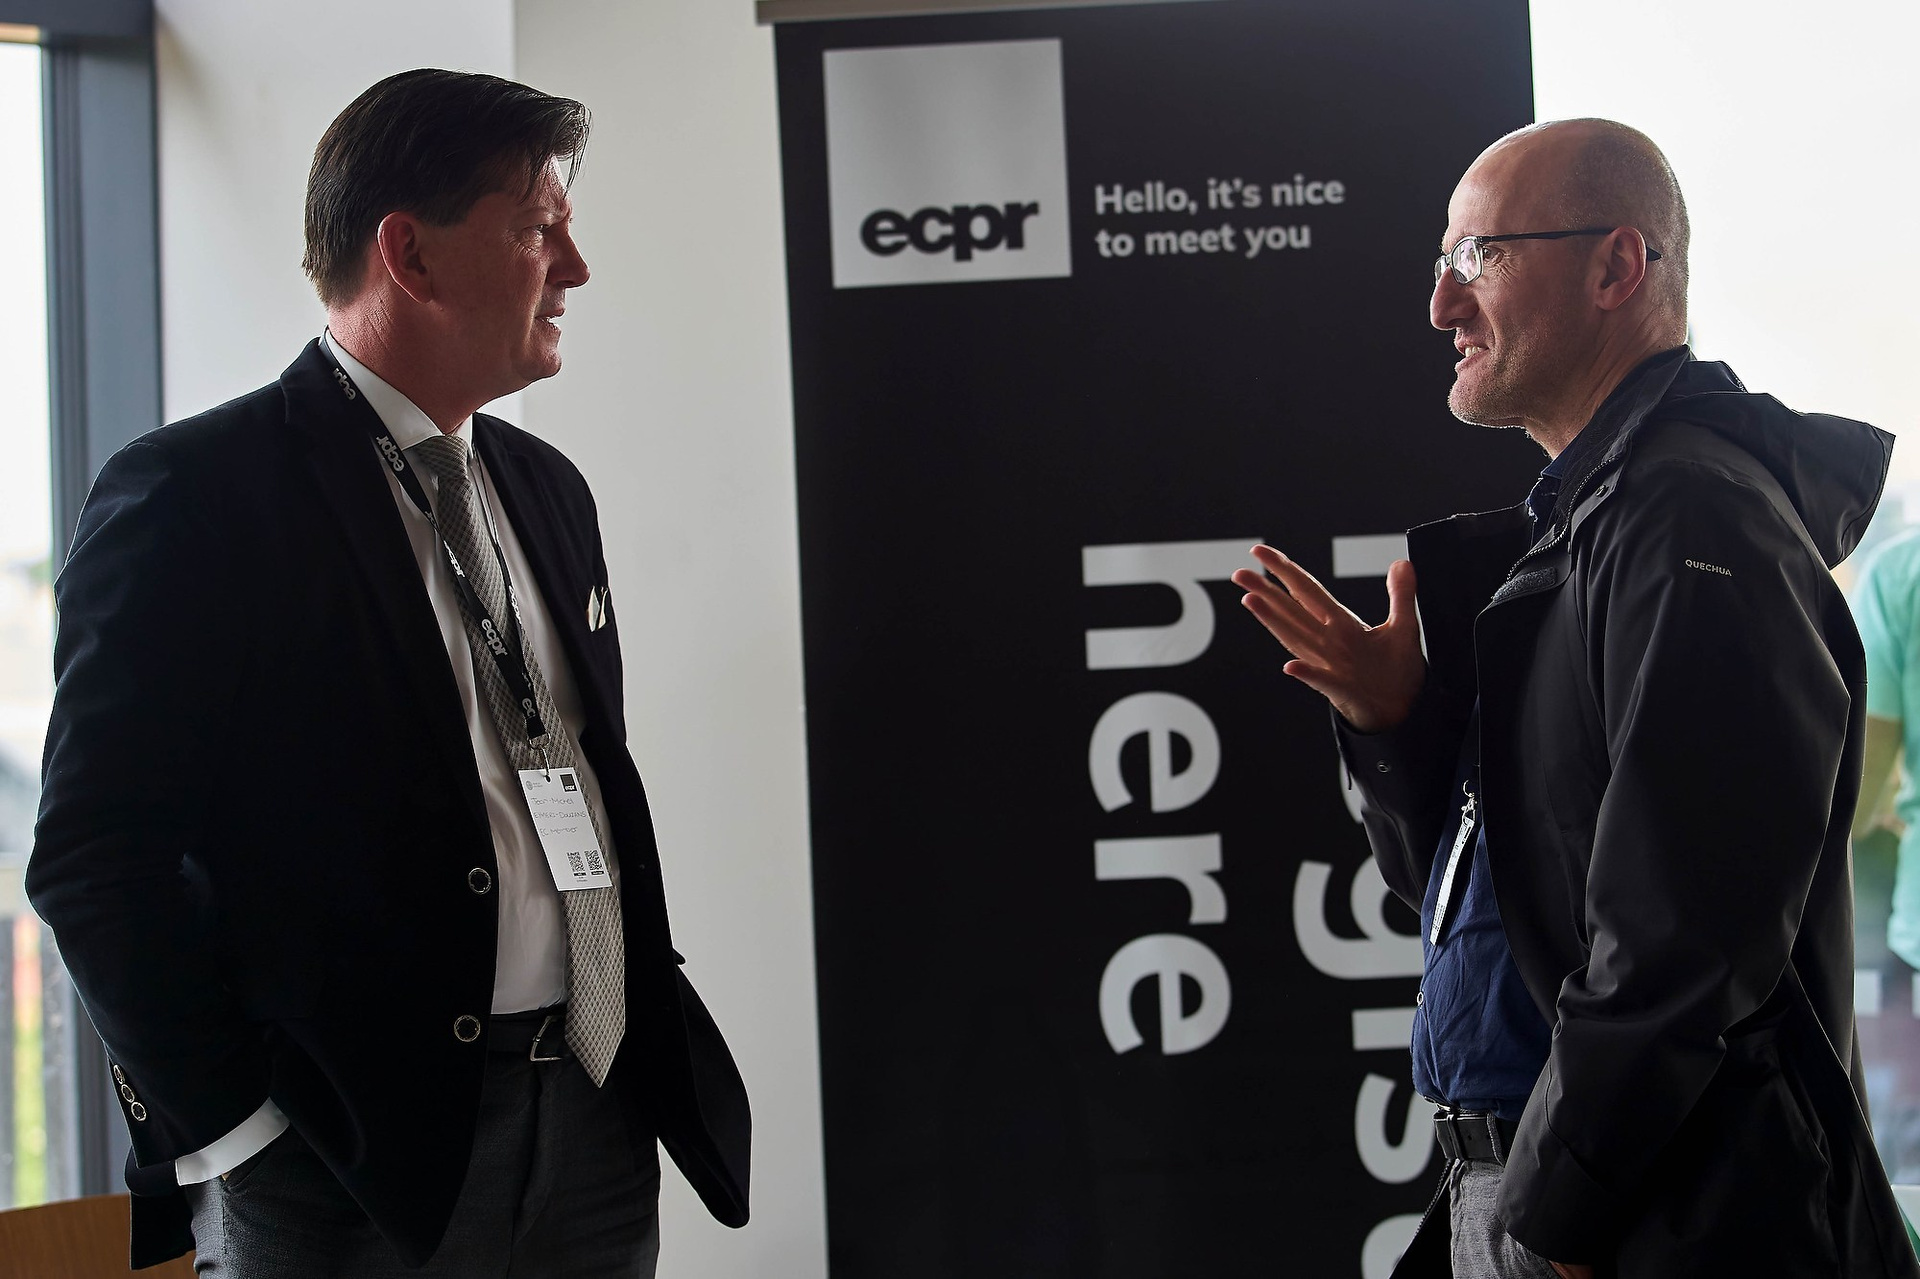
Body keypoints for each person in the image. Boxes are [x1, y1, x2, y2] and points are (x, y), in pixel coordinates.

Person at [27, 69, 749, 1276]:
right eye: (538, 229)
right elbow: (96, 855)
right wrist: (242, 1134)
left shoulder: (547, 490)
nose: (575, 268)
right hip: (348, 1156)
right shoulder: (196, 498)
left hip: (596, 1112)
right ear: (408, 253)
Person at [1233, 119, 1916, 1278]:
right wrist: (1399, 733)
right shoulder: (1589, 531)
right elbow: (1489, 907)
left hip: (1646, 1214)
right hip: (1542, 1192)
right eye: (1443, 262)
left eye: (1479, 257)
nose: (1442, 306)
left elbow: (1685, 931)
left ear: (1616, 267)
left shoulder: (1691, 520)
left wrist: (1564, 1213)